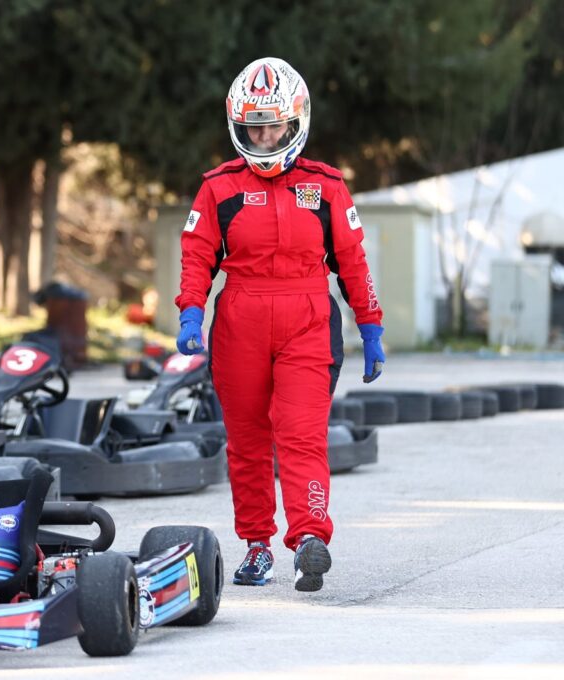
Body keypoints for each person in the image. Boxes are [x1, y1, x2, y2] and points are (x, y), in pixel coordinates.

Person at [174, 57, 385, 592]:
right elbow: (197, 254)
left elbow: (352, 262)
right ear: (237, 128)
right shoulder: (219, 189)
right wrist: (191, 310)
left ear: (295, 123)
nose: (265, 138)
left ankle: (310, 538)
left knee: (301, 434)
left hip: (308, 321)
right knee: (247, 440)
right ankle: (256, 545)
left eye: (273, 127)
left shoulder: (326, 187)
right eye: (254, 129)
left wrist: (370, 325)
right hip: (240, 321)